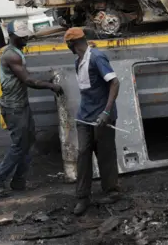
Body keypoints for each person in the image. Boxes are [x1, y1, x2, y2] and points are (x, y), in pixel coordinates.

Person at [0, 20, 63, 197]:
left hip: (20, 105)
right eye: (21, 36)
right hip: (14, 108)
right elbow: (28, 80)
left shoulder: (17, 52)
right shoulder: (11, 55)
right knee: (19, 145)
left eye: (25, 35)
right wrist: (50, 86)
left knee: (28, 142)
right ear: (11, 36)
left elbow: (27, 76)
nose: (25, 38)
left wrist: (45, 79)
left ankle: (18, 181)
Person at [64, 27, 121, 216]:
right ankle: (82, 197)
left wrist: (106, 112)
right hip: (85, 117)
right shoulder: (78, 61)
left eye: (68, 44)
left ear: (71, 43)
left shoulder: (96, 57)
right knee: (83, 153)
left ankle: (111, 192)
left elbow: (114, 82)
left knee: (105, 153)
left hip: (102, 116)